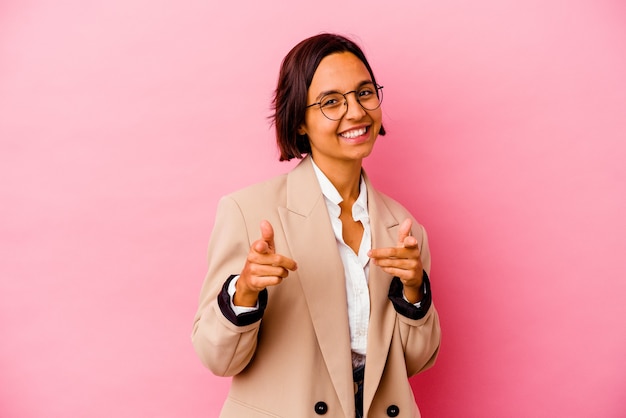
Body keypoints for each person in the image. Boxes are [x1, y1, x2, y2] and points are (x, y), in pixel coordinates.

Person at [191, 33, 441, 418]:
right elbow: (216, 358)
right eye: (331, 102)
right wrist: (244, 291)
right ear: (300, 122)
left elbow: (414, 363)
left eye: (364, 93)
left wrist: (413, 292)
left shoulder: (404, 230)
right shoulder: (247, 212)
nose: (356, 112)